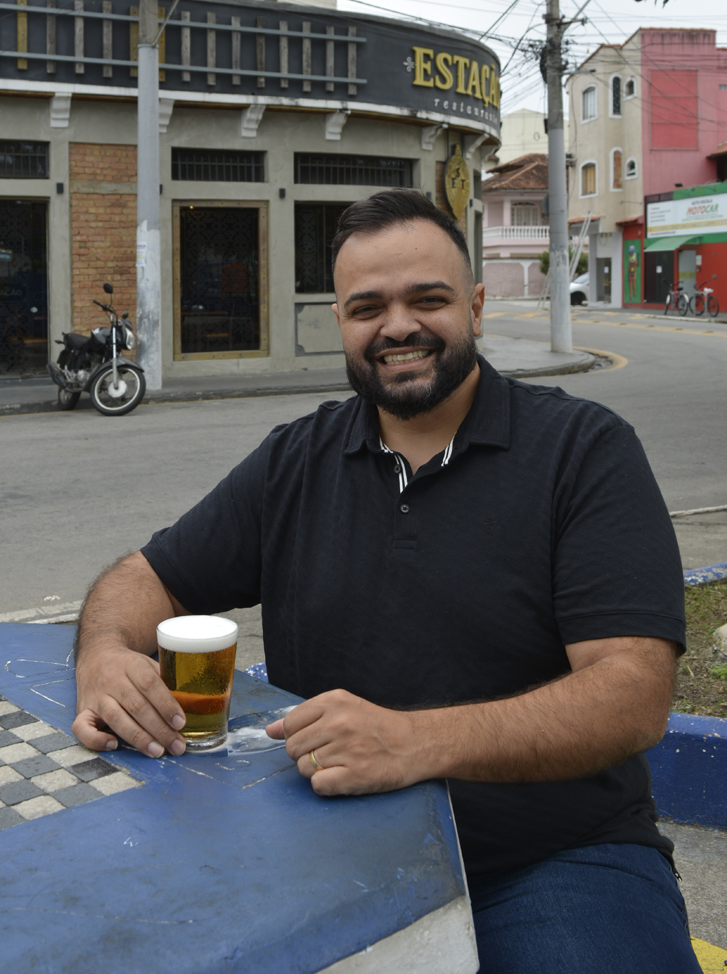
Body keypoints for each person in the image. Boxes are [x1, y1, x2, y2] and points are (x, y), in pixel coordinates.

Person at [72, 189, 701, 973]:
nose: (397, 326)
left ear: (474, 306)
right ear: (341, 322)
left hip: (551, 859)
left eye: (427, 299)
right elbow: (144, 577)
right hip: (326, 848)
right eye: (368, 306)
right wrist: (102, 657)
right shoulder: (294, 461)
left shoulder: (583, 452)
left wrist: (416, 742)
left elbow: (630, 694)